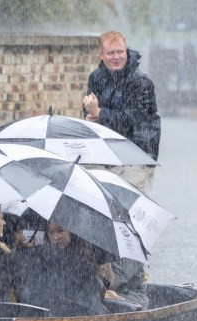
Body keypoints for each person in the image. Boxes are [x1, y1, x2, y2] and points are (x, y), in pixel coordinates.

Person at [83, 30, 161, 197]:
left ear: (126, 51)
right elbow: (90, 111)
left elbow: (132, 121)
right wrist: (90, 115)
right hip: (106, 155)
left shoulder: (140, 82)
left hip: (137, 156)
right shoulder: (96, 78)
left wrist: (99, 113)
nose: (116, 57)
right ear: (101, 55)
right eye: (111, 53)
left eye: (120, 52)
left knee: (130, 212)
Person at [15, 222, 109, 316]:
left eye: (60, 231)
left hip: (78, 318)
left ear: (71, 232)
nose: (55, 237)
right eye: (51, 232)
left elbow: (90, 292)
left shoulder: (83, 258)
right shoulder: (44, 258)